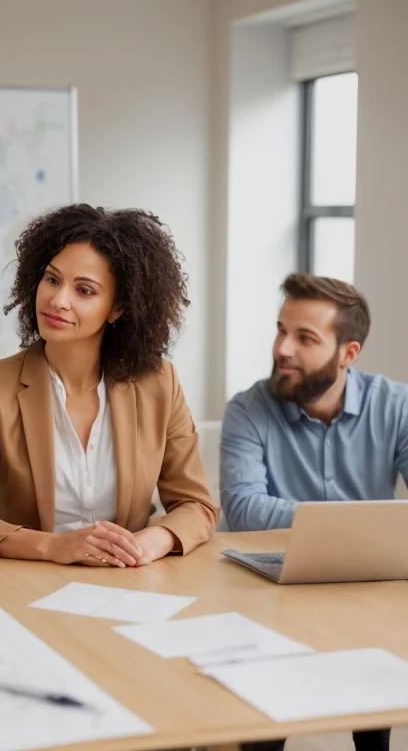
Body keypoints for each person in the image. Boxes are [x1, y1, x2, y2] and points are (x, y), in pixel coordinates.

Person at [0, 204, 219, 566]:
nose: (58, 300)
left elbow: (196, 505)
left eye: (84, 290)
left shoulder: (159, 384)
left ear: (117, 308)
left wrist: (150, 541)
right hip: (27, 580)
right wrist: (54, 547)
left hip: (127, 579)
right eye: (52, 279)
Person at [220, 273, 402, 751]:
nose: (282, 348)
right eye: (281, 330)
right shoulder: (248, 410)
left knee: (377, 704)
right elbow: (242, 508)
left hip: (364, 597)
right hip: (266, 597)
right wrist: (365, 524)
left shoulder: (397, 407)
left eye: (305, 338)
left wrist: (339, 530)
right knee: (261, 733)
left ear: (349, 353)